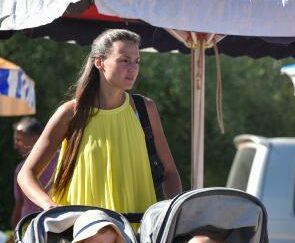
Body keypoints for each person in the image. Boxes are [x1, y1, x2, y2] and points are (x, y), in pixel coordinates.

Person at [17, 28, 181, 214]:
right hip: (82, 235)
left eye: (137, 61)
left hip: (137, 232)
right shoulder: (71, 113)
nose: (133, 68)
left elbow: (170, 172)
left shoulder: (145, 109)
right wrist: (49, 205)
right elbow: (26, 174)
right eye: (124, 60)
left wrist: (174, 212)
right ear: (99, 62)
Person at [11, 117, 56, 228]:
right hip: (29, 228)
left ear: (36, 138)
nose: (16, 145)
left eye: (19, 139)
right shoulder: (21, 168)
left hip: (56, 224)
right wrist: (16, 232)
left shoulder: (63, 160)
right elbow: (19, 203)